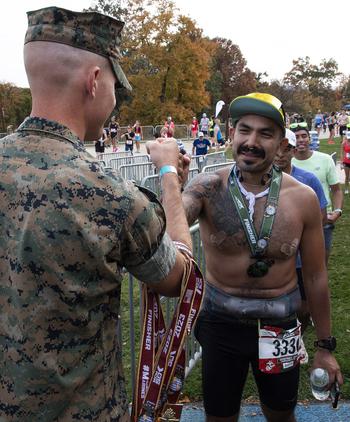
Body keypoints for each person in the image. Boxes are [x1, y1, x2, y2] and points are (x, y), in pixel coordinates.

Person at [0, 7, 192, 421]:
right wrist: (169, 177)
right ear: (94, 81)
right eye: (114, 88)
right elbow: (180, 277)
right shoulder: (113, 198)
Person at [182, 92, 343, 422]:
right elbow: (169, 227)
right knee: (219, 417)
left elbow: (315, 277)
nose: (251, 141)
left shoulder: (303, 198)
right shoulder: (206, 188)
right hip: (220, 325)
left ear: (281, 144)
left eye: (265, 133)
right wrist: (172, 178)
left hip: (279, 326)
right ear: (231, 134)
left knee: (281, 415)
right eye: (244, 130)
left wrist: (325, 347)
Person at [274, 129, 328, 363]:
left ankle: (297, 338)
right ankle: (282, 344)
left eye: (287, 149)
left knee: (304, 308)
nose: (280, 154)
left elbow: (322, 217)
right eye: (277, 147)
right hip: (275, 262)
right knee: (278, 307)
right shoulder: (260, 182)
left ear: (294, 151)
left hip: (301, 260)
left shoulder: (308, 180)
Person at [291, 122, 343, 265]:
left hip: (323, 220)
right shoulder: (286, 161)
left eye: (304, 136)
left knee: (320, 263)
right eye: (296, 137)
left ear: (309, 139)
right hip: (294, 221)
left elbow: (336, 190)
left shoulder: (325, 159)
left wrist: (337, 211)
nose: (301, 140)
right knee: (294, 265)